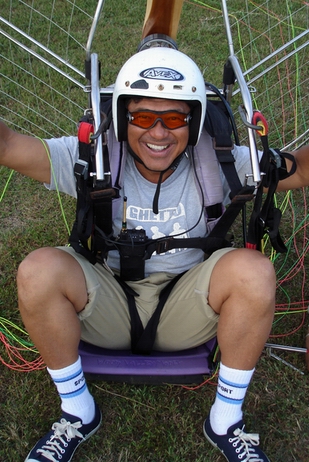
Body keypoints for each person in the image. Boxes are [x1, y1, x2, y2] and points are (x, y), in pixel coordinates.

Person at [1, 45, 309, 462]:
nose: (159, 133)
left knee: (254, 272)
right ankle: (77, 411)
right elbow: (9, 146)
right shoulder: (95, 157)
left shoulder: (223, 162)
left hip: (189, 307)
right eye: (143, 118)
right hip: (106, 302)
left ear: (195, 121)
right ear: (124, 119)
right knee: (38, 270)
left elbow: (300, 169)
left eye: (176, 119)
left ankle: (226, 420)